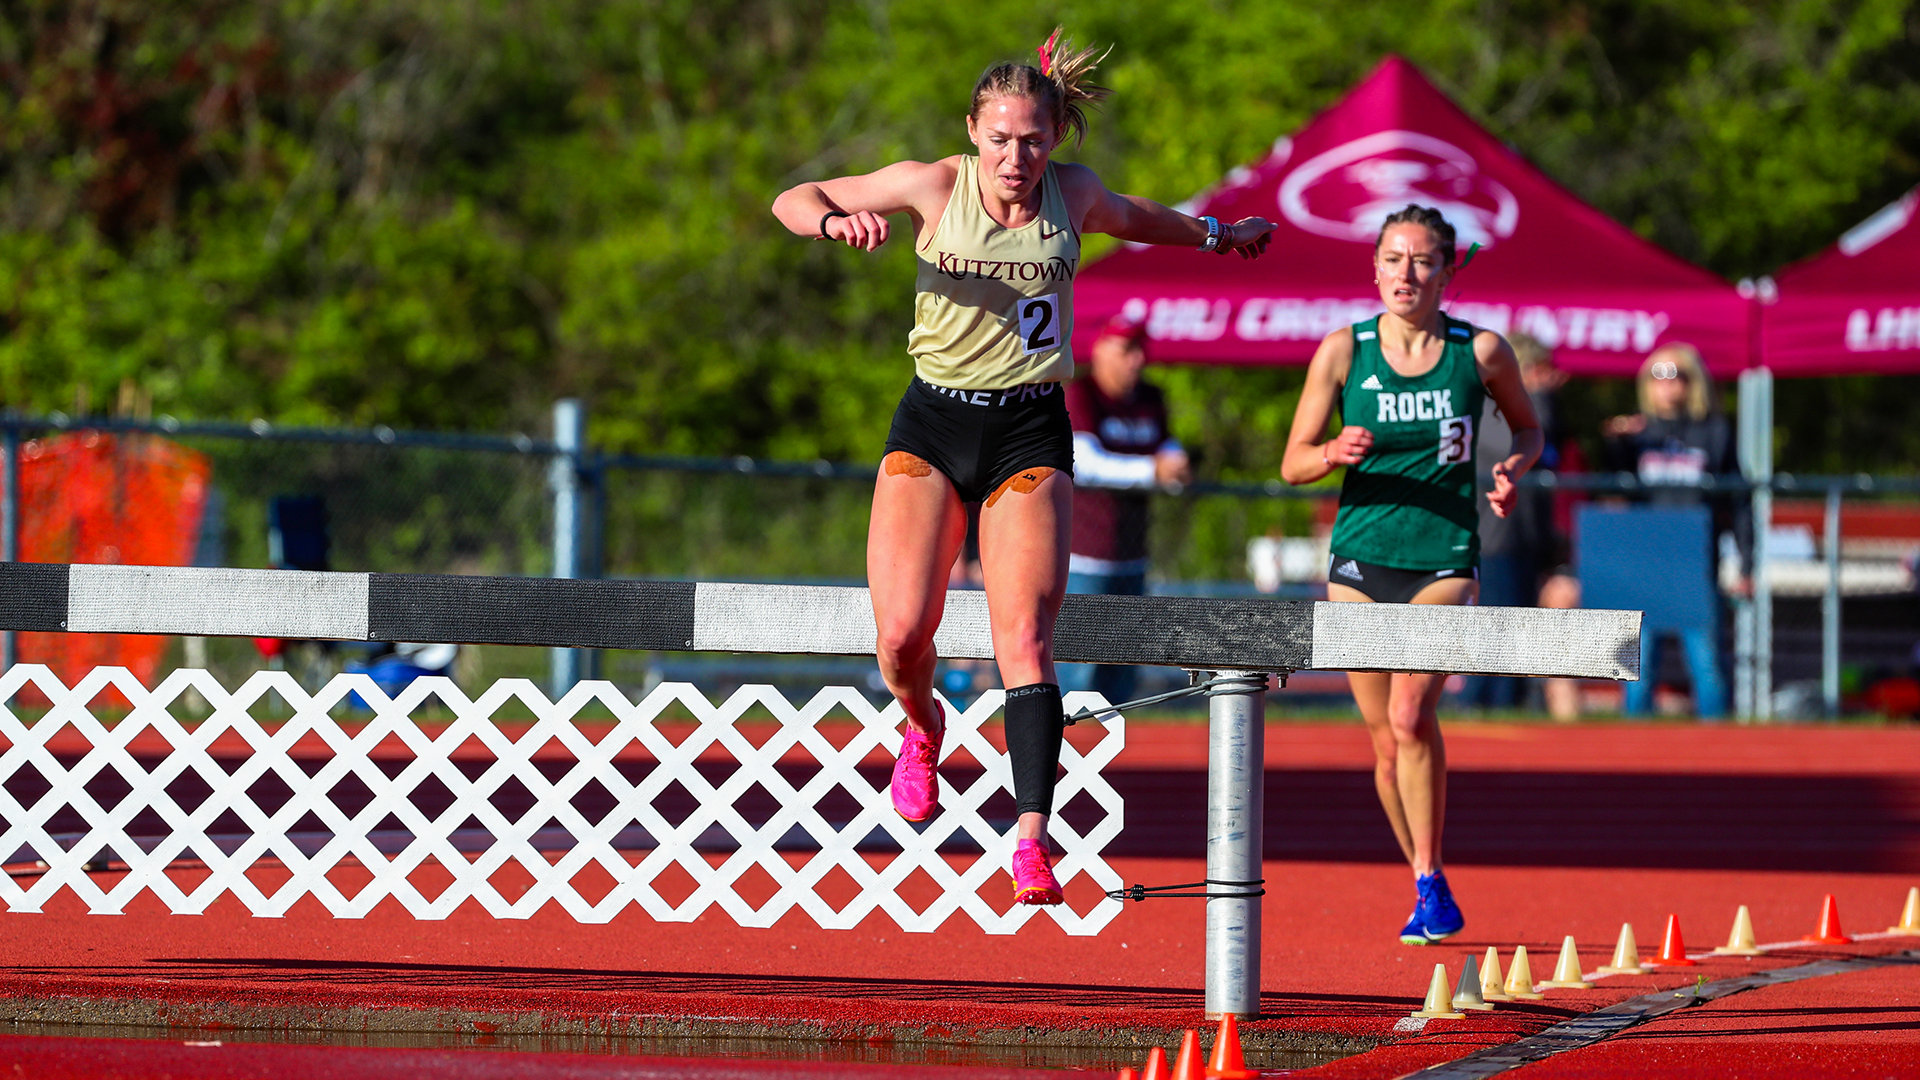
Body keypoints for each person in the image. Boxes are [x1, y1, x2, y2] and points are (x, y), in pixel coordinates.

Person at [772, 28, 1274, 905]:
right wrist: (832, 220)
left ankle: (1031, 840)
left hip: (1029, 430)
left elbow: (1139, 217)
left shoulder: (1071, 196)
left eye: (1033, 141)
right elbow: (792, 197)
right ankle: (921, 725)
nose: (1016, 159)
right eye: (1000, 139)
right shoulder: (934, 185)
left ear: (1055, 136)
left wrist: (1219, 235)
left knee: (1027, 641)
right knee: (901, 635)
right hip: (934, 425)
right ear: (972, 132)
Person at [1280, 204, 1542, 944]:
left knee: (1409, 716)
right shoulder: (1344, 350)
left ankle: (1429, 875)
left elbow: (1529, 428)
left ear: (1447, 272)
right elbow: (1293, 461)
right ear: (1374, 269)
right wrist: (1332, 452)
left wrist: (1514, 467)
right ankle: (1426, 879)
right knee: (1385, 743)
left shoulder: (1479, 351)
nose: (1407, 274)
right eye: (1394, 259)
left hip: (1444, 557)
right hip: (1359, 562)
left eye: (1423, 261)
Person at [1601, 343, 1747, 718]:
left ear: (1693, 381)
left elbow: (1739, 501)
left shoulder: (1714, 431)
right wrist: (1615, 444)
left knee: (1706, 664)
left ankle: (1717, 743)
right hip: (1644, 564)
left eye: (1675, 375)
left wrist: (1746, 563)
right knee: (1637, 667)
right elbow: (1613, 493)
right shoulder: (1637, 434)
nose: (1665, 384)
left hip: (1695, 564)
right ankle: (1632, 746)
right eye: (1657, 375)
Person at [1061, 315, 1190, 704]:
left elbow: (1168, 447)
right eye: (1127, 350)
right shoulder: (1082, 393)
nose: (1137, 359)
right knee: (1079, 671)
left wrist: (1176, 463)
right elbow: (1083, 463)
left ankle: (1117, 742)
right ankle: (1066, 741)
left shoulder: (1150, 397)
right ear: (1099, 350)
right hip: (1084, 559)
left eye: (1140, 350)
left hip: (1132, 556)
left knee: (1123, 666)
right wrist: (1151, 470)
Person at [1460, 333, 1566, 711]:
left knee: (1515, 630)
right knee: (1496, 631)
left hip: (1522, 539)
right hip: (1494, 539)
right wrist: (1540, 397)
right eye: (1539, 369)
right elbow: (1518, 444)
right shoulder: (1488, 406)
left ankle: (1507, 704)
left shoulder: (1526, 406)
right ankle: (1481, 706)